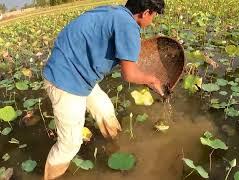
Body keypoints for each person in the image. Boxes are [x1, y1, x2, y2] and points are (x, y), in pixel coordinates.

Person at [42, 0, 165, 179]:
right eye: (154, 16)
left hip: (77, 69)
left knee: (105, 111)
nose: (152, 21)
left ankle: (119, 148)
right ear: (146, 12)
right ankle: (49, 176)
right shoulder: (128, 25)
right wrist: (152, 80)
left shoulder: (113, 11)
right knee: (69, 144)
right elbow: (129, 75)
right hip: (65, 79)